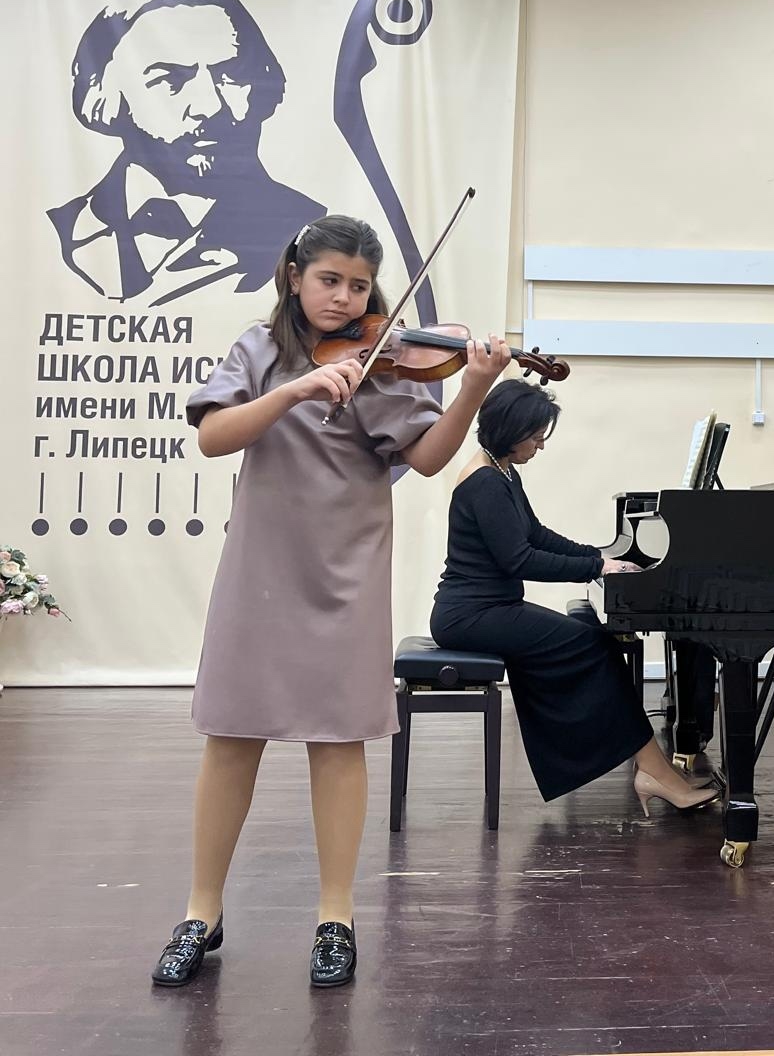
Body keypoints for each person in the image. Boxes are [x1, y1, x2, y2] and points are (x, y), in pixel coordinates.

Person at [150, 214, 510, 990]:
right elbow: (214, 436)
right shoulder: (258, 349)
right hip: (259, 569)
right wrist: (295, 389)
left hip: (347, 574)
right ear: (294, 277)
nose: (344, 298)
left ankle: (335, 917)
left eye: (358, 285)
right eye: (329, 281)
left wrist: (474, 386)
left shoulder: (386, 365)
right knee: (230, 735)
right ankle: (200, 912)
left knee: (339, 741)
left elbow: (428, 456)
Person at [429, 379, 720, 814]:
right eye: (535, 436)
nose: (540, 445)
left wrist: (599, 555)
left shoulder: (502, 472)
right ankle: (654, 772)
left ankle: (652, 769)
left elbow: (536, 534)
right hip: (470, 615)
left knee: (595, 642)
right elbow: (519, 559)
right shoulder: (485, 482)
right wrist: (595, 567)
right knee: (594, 644)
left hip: (489, 608)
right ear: (511, 430)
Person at [48, 0, 324, 306]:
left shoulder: (309, 235)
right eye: (171, 79)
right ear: (107, 94)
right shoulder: (54, 229)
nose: (209, 106)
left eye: (231, 76)